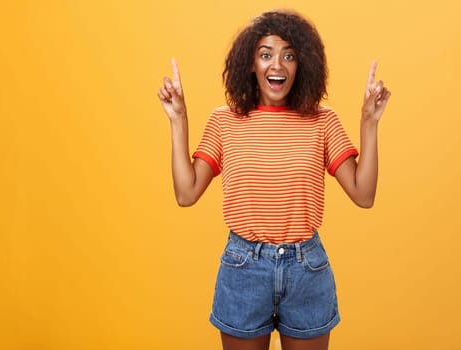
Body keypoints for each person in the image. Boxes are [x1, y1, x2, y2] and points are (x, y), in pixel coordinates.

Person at [156, 10, 391, 350]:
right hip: (244, 268)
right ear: (250, 64)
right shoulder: (224, 122)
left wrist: (369, 121)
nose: (277, 65)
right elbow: (186, 192)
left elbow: (364, 194)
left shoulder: (323, 122)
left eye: (289, 55)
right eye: (266, 54)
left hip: (306, 269)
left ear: (302, 65)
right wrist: (178, 119)